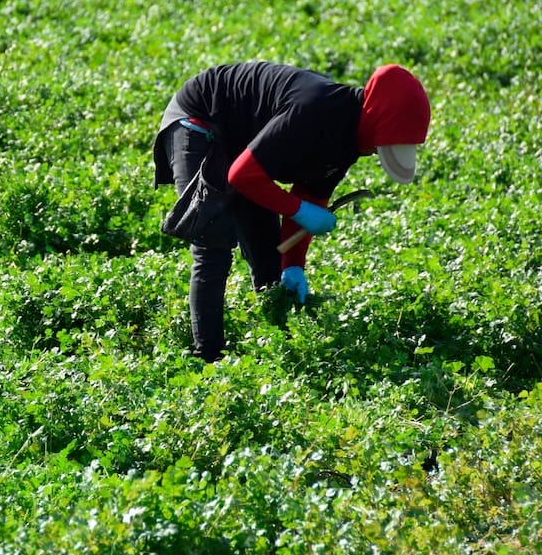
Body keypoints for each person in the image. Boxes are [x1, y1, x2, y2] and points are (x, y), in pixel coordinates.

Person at [153, 62, 431, 362]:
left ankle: (278, 348)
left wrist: (294, 265)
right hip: (200, 120)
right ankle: (208, 359)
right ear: (377, 121)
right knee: (213, 241)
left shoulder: (349, 141)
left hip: (242, 144)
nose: (376, 153)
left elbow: (309, 195)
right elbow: (243, 177)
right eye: (380, 146)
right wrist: (300, 211)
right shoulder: (314, 111)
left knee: (269, 256)